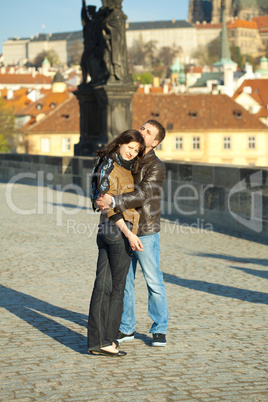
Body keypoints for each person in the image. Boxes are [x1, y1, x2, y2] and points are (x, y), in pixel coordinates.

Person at [97, 120, 168, 347]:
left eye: (147, 132)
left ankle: (159, 329)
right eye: (142, 127)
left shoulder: (156, 166)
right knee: (125, 282)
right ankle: (126, 327)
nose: (142, 131)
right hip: (124, 227)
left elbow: (143, 194)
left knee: (153, 281)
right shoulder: (129, 155)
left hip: (145, 229)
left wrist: (114, 200)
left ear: (154, 142)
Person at [87, 129, 145, 357]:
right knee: (116, 289)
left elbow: (100, 200)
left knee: (102, 286)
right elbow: (107, 204)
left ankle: (97, 340)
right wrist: (129, 234)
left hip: (105, 230)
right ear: (120, 143)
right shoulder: (114, 167)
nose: (132, 152)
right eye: (129, 147)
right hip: (119, 230)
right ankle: (108, 340)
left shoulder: (106, 163)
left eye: (136, 150)